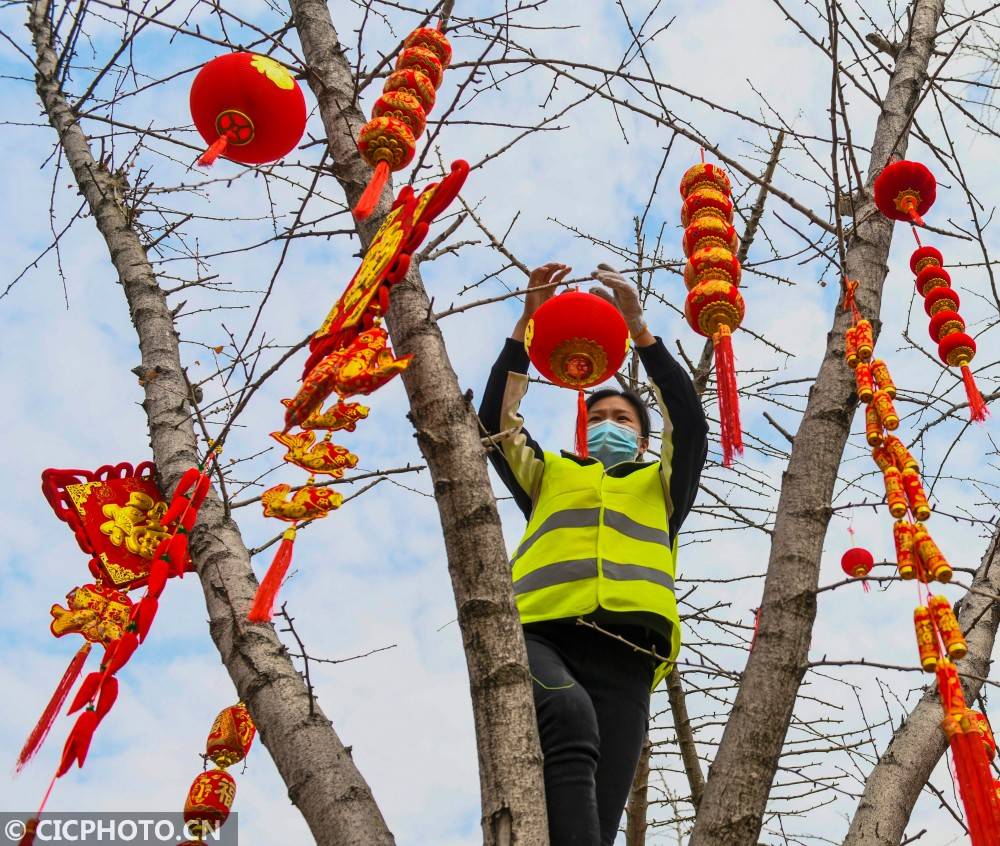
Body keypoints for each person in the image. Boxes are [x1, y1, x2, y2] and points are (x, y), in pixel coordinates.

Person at [478, 262, 708, 846]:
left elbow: (688, 419)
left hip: (630, 651)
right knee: (568, 715)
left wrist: (638, 328)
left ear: (645, 439)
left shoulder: (661, 485)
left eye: (622, 420)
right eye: (598, 417)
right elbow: (494, 423)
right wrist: (528, 323)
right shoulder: (549, 473)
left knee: (598, 821)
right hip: (538, 632)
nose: (608, 425)